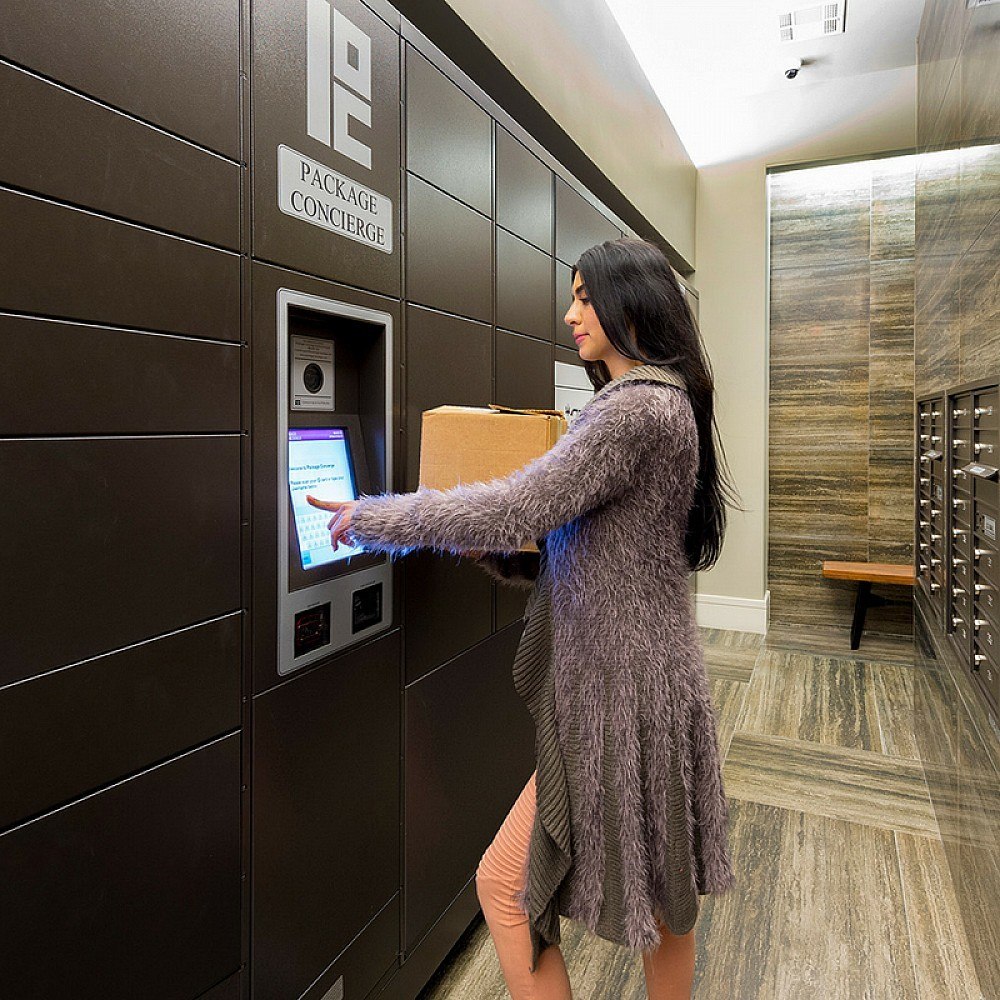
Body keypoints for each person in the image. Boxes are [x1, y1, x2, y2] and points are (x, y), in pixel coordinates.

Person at [307, 237, 743, 999]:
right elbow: (589, 552)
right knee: (668, 899)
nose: (569, 314)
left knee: (505, 888)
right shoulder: (665, 404)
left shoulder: (634, 409)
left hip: (619, 699)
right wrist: (498, 552)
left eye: (583, 296)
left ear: (627, 301)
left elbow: (520, 505)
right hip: (653, 686)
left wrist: (375, 516)